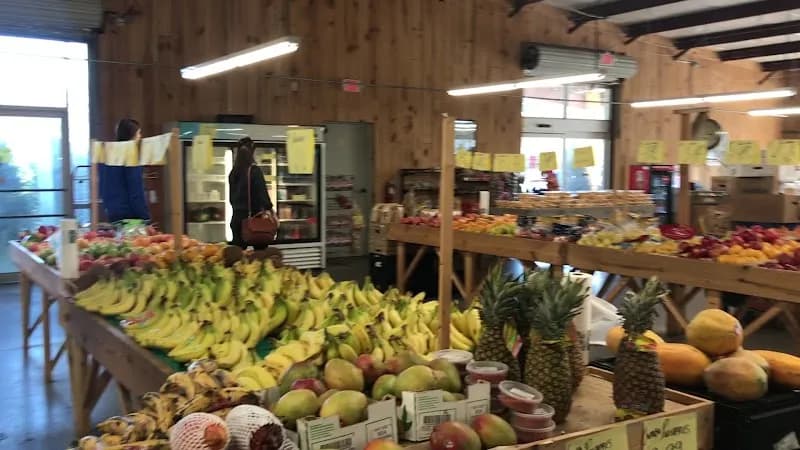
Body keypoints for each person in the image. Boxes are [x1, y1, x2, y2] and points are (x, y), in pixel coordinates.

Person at [98, 118, 150, 223]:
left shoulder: (108, 153)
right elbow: (136, 191)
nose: (140, 137)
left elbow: (102, 186)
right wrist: (145, 217)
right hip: (131, 216)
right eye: (139, 133)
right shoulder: (131, 155)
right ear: (132, 134)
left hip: (112, 212)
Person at [229, 137, 274, 249]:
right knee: (260, 255)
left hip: (236, 220)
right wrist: (271, 211)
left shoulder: (233, 172)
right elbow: (263, 196)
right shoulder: (254, 171)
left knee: (239, 257)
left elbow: (231, 199)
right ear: (252, 152)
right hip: (254, 220)